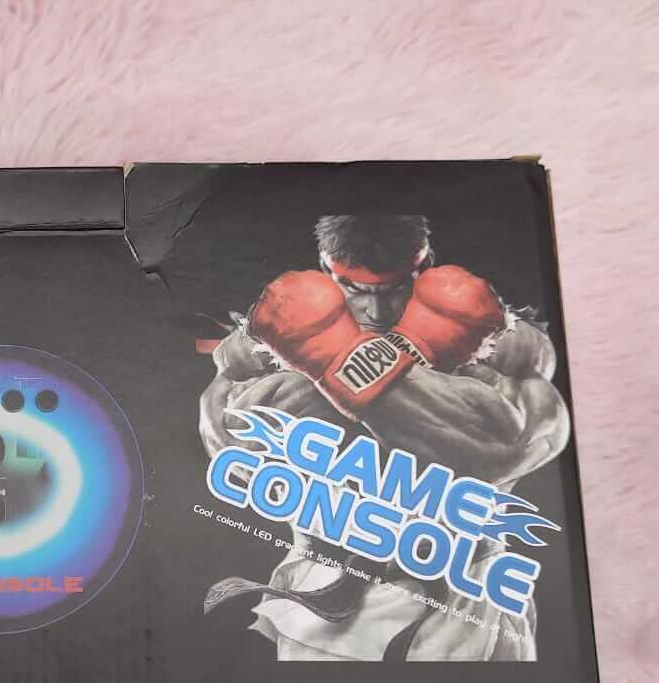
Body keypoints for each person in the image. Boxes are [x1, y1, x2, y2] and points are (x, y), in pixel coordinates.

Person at [199, 214, 570, 660]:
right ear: (325, 270)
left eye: (396, 288)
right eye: (354, 288)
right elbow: (235, 454)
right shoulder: (270, 339)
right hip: (326, 587)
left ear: (425, 266)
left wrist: (339, 361)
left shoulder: (489, 336)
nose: (377, 311)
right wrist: (352, 362)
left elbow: (520, 443)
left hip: (468, 584)